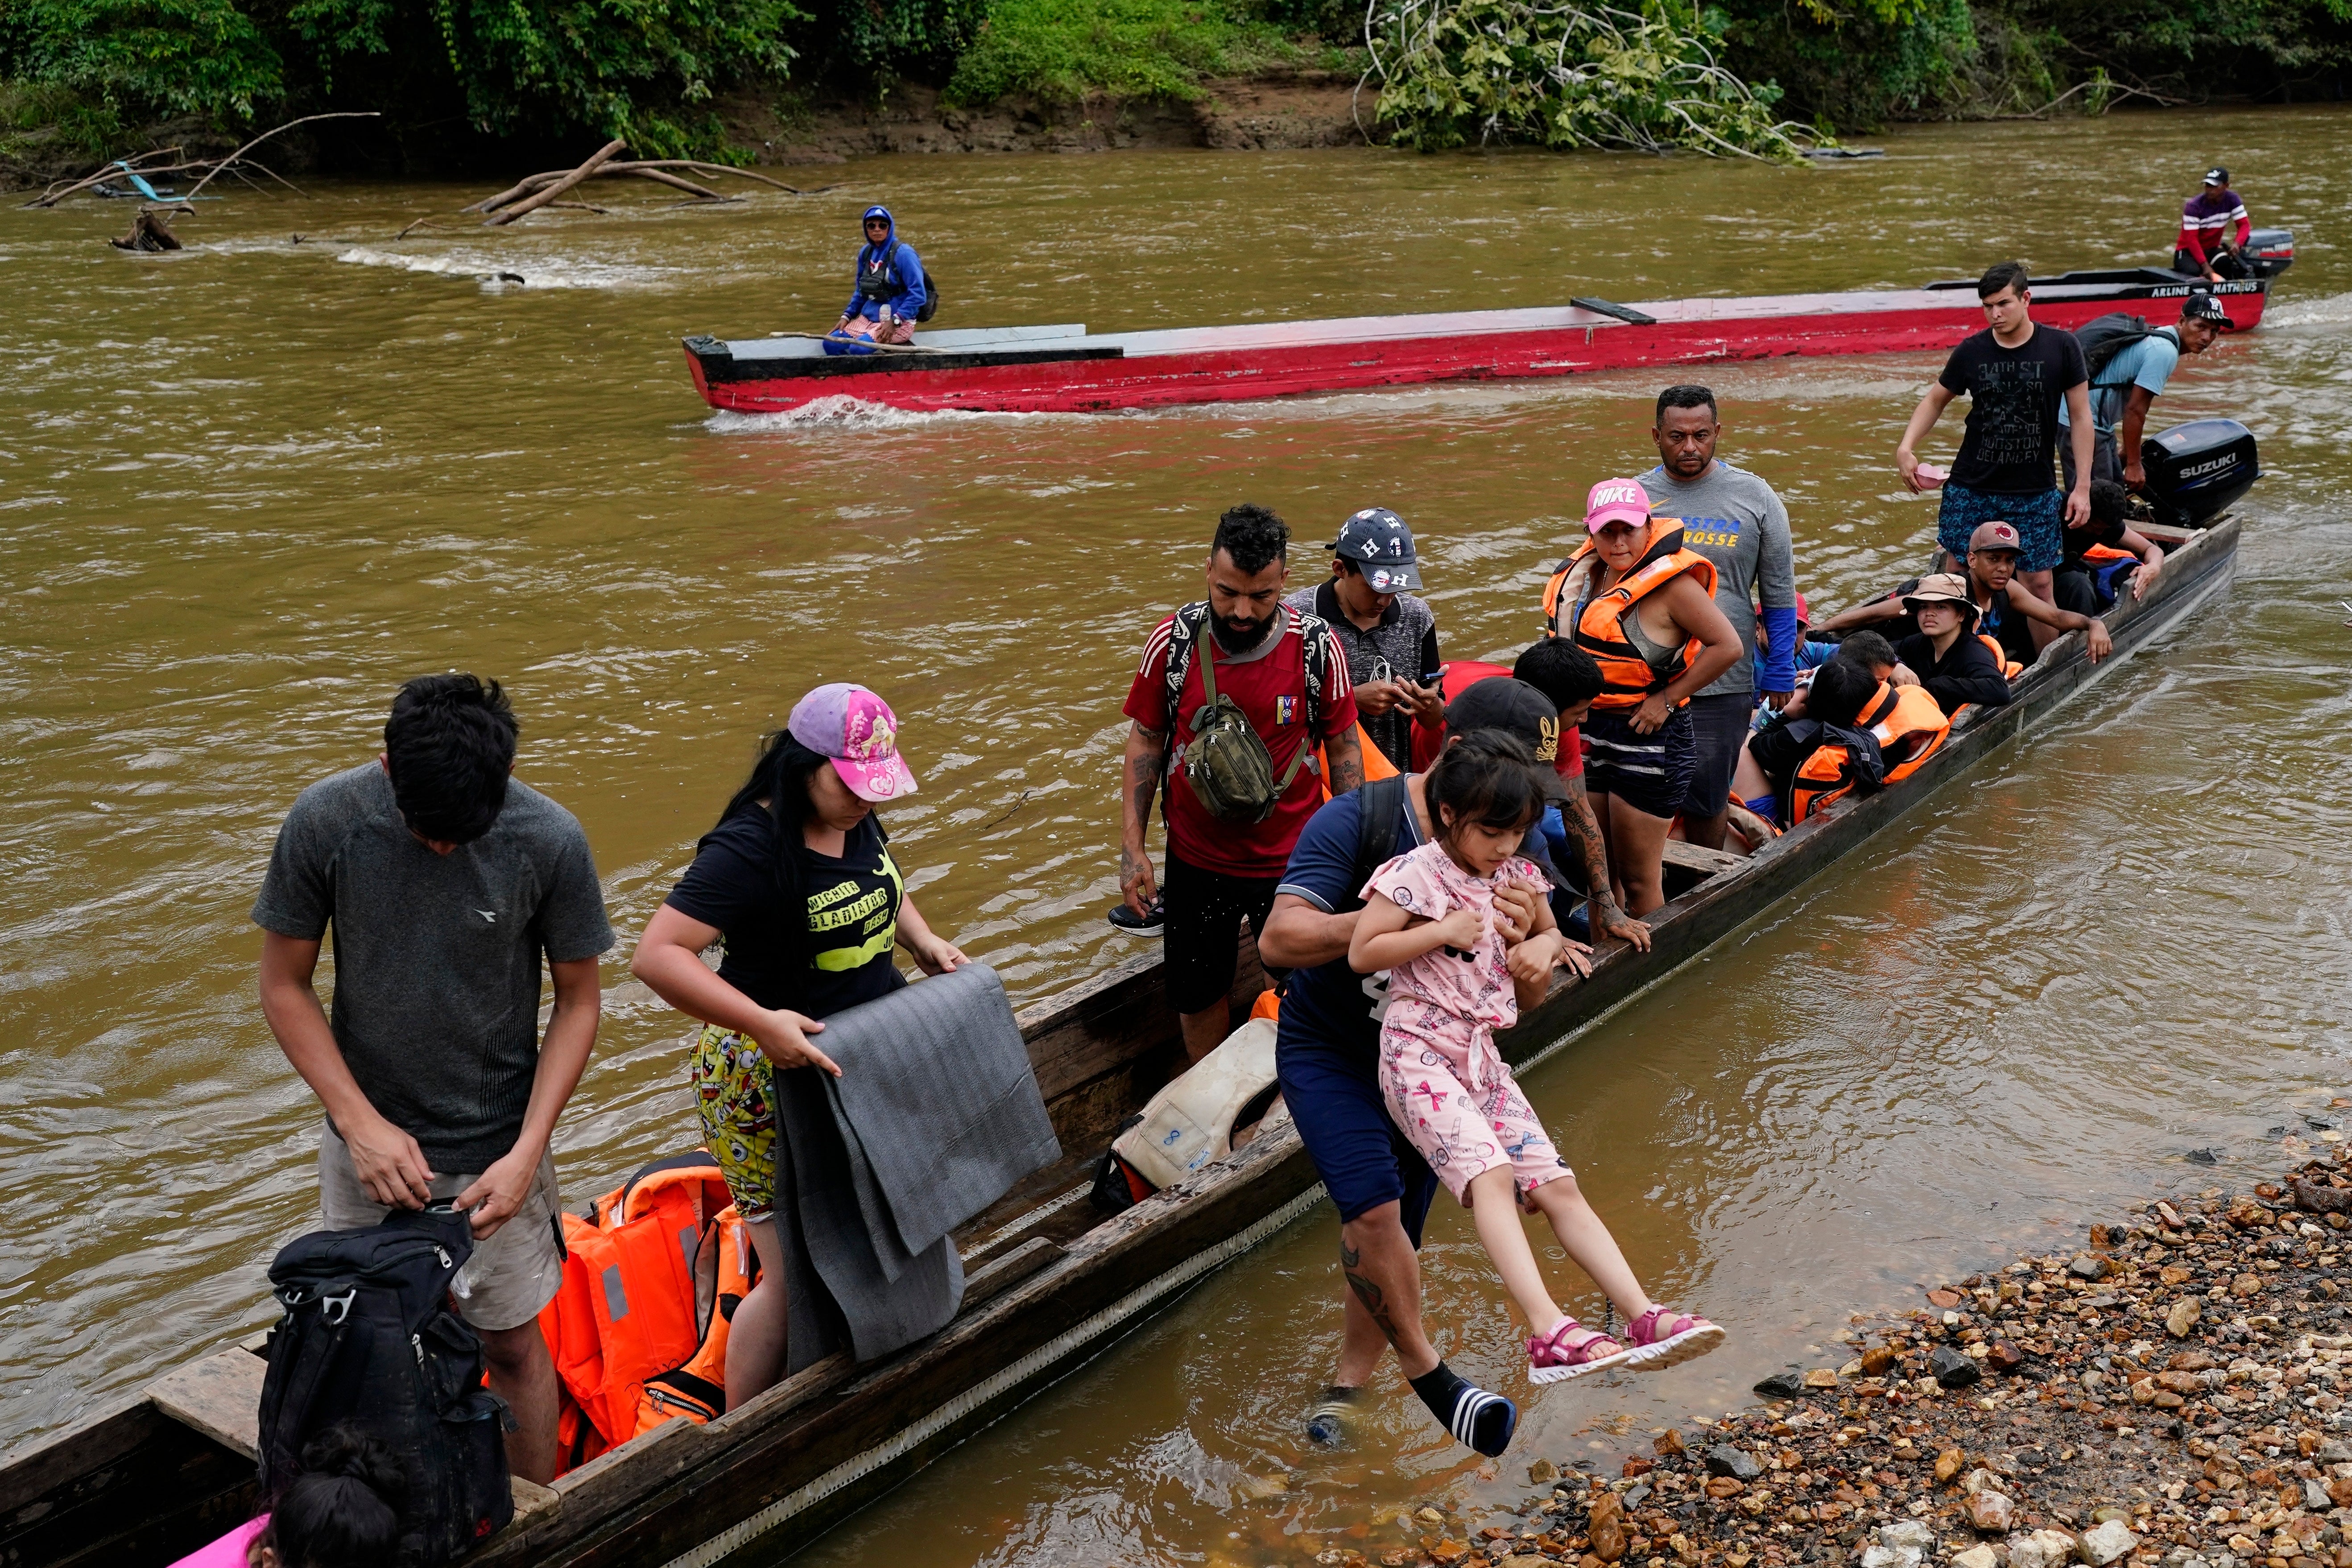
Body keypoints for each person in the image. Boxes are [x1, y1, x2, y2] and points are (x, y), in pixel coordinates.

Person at [253, 674, 612, 1486]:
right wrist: (358, 1123)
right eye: (427, 834)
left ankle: (530, 1512)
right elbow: (283, 985)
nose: (445, 849)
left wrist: (529, 1152)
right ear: (384, 766)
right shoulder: (327, 822)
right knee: (377, 1339)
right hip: (369, 1146)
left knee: (513, 1342)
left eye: (463, 834)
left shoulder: (549, 838)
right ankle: (414, 1506)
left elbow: (580, 1000)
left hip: (499, 1153)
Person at [1258, 692, 1593, 1456]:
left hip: (1434, 1060)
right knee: (1370, 1212)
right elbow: (1280, 937)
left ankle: (1350, 1376)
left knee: (1397, 1232)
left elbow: (1521, 993)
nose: (1512, 829)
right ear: (1456, 767)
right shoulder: (1361, 821)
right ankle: (1425, 1374)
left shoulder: (1505, 839)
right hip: (1334, 1051)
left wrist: (1534, 956)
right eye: (1500, 796)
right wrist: (1410, 922)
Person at [629, 683, 967, 1408]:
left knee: (879, 1227)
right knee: (791, 1281)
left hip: (858, 1061)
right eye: (850, 787)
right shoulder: (749, 848)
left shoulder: (855, 816)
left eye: (875, 790)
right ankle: (743, 1428)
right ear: (800, 767)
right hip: (762, 1074)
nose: (865, 803)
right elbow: (658, 956)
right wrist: (758, 1021)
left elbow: (883, 881)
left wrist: (925, 941)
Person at [1350, 734, 1724, 1386]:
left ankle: (1641, 1313)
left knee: (1556, 1184)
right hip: (1417, 1052)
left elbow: (1550, 930)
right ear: (1447, 815)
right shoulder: (1413, 872)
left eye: (1517, 832)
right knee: (1491, 1176)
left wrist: (1543, 947)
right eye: (1492, 831)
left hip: (1482, 1057)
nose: (1504, 846)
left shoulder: (1520, 873)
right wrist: (1437, 930)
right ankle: (1548, 1328)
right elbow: (1362, 950)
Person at [1122, 505, 1363, 1063]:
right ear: (1208, 570)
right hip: (1195, 858)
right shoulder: (1173, 643)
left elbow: (1344, 746)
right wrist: (1132, 850)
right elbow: (1146, 742)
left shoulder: (1316, 647)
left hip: (1296, 861)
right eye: (1228, 591)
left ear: (1284, 578)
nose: (1240, 611)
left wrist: (1355, 848)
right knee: (1196, 991)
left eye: (1260, 596)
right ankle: (1208, 1085)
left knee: (1310, 984)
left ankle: (1299, 1084)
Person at [1542, 479, 1741, 918]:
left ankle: (1646, 965)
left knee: (1637, 880)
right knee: (1596, 874)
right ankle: (1598, 963)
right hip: (1589, 733)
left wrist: (1667, 699)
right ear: (1589, 531)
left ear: (1647, 526)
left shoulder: (1672, 585)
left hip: (1649, 739)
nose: (1617, 541)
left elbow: (1727, 645)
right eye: (1606, 531)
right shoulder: (1586, 577)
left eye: (1628, 529)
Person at [1640, 385, 1798, 851]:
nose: (1689, 447)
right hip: (1644, 672)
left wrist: (1781, 665)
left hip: (1722, 677)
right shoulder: (1635, 497)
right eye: (1676, 436)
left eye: (1700, 435)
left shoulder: (1755, 496)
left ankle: (1702, 873)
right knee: (1642, 785)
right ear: (1656, 436)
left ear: (1717, 433)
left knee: (1706, 792)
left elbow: (1777, 592)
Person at [1896, 260, 2093, 608]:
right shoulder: (1972, 350)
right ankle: (1963, 656)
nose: (1994, 314)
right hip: (1971, 484)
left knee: (2039, 583)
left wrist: (2082, 487)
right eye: (1987, 306)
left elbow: (2080, 418)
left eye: (2003, 304)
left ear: (2026, 299)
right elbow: (1935, 400)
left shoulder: (2062, 347)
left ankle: (2048, 661)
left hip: (2033, 488)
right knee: (1958, 578)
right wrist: (1906, 446)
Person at [1508, 637, 1652, 951]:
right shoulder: (1468, 725)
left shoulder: (1562, 730)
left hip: (1514, 790)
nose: (1585, 720)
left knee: (1543, 862)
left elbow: (1578, 812)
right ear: (1544, 712)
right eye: (1579, 712)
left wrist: (1607, 902)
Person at [1285, 506, 1446, 775]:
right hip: (1318, 779)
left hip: (1393, 776)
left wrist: (1431, 705)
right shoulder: (1298, 617)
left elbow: (1432, 721)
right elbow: (1282, 711)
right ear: (1340, 569)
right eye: (1375, 588)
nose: (1385, 600)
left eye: (1396, 588)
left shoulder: (1417, 618)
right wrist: (1351, 699)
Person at [2059, 292, 2229, 491]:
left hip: (2087, 420)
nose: (2207, 337)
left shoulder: (2159, 337)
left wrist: (2127, 454)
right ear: (2182, 321)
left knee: (2110, 497)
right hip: (2083, 423)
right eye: (2200, 327)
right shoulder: (2164, 351)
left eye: (2214, 331)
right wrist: (2134, 464)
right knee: (2098, 505)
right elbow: (2135, 411)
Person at [1890, 574, 2013, 716]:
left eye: (1941, 607)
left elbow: (2000, 691)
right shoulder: (1920, 642)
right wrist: (1896, 665)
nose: (1929, 613)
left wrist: (1939, 686)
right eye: (1923, 607)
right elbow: (1874, 648)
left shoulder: (1972, 652)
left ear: (1961, 615)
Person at [2054, 479, 2165, 616]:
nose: (2100, 533)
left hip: (2063, 573)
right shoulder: (2054, 509)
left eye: (2104, 529)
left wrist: (2154, 567)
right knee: (2079, 585)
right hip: (2033, 579)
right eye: (2095, 527)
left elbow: (2152, 549)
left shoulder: (2105, 525)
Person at [831, 205, 928, 346]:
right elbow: (861, 291)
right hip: (868, 319)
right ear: (866, 229)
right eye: (872, 226)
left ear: (890, 228)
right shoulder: (866, 253)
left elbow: (918, 294)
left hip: (898, 321)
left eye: (882, 225)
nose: (877, 229)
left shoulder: (904, 254)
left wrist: (896, 321)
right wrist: (847, 316)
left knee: (858, 349)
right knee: (831, 345)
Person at [2175, 167, 2252, 283]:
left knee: (2225, 264)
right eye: (2207, 186)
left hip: (2211, 249)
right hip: (2187, 252)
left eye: (2214, 187)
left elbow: (2244, 225)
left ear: (2226, 186)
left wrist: (2237, 244)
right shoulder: (2194, 207)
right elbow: (2192, 240)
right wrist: (2205, 265)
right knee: (2195, 274)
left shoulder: (2232, 200)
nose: (2209, 190)